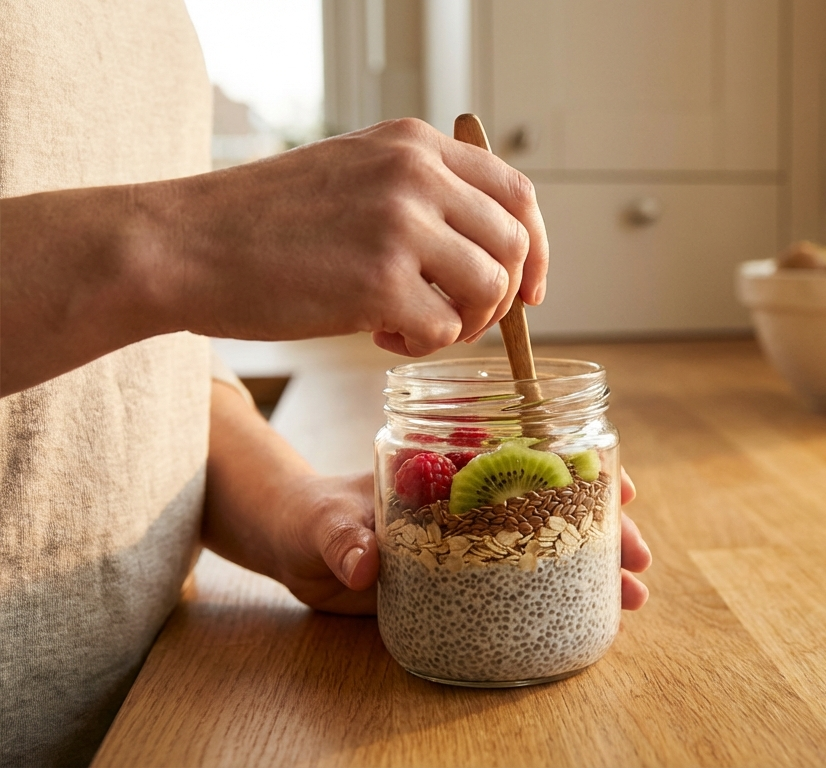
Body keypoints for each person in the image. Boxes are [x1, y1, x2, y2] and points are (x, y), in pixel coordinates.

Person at [0, 2, 651, 765]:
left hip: (177, 692)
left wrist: (288, 508)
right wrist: (184, 241)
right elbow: (139, 276)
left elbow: (142, 372)